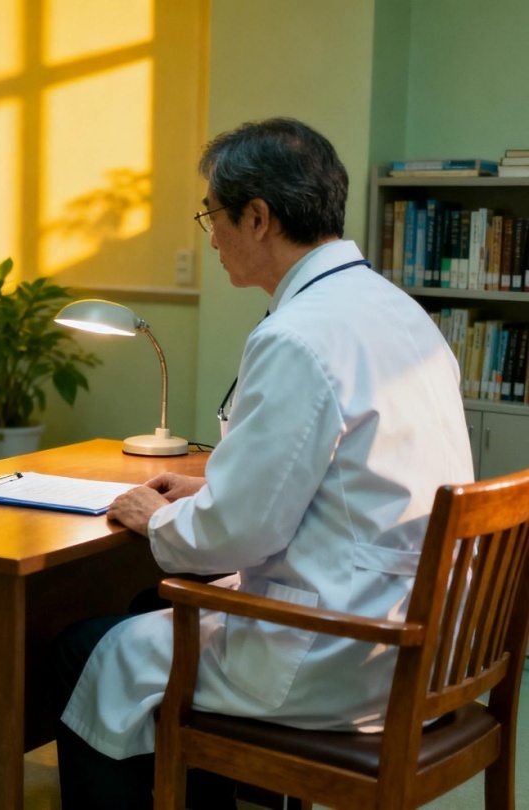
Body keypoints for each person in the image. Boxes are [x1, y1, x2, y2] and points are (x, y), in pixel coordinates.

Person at [52, 118, 475, 809]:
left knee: (85, 653)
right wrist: (210, 485)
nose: (210, 236)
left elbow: (236, 536)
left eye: (211, 216)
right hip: (428, 641)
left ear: (256, 218)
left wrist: (156, 517)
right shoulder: (398, 311)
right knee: (146, 612)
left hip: (346, 648)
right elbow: (350, 474)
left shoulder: (297, 336)